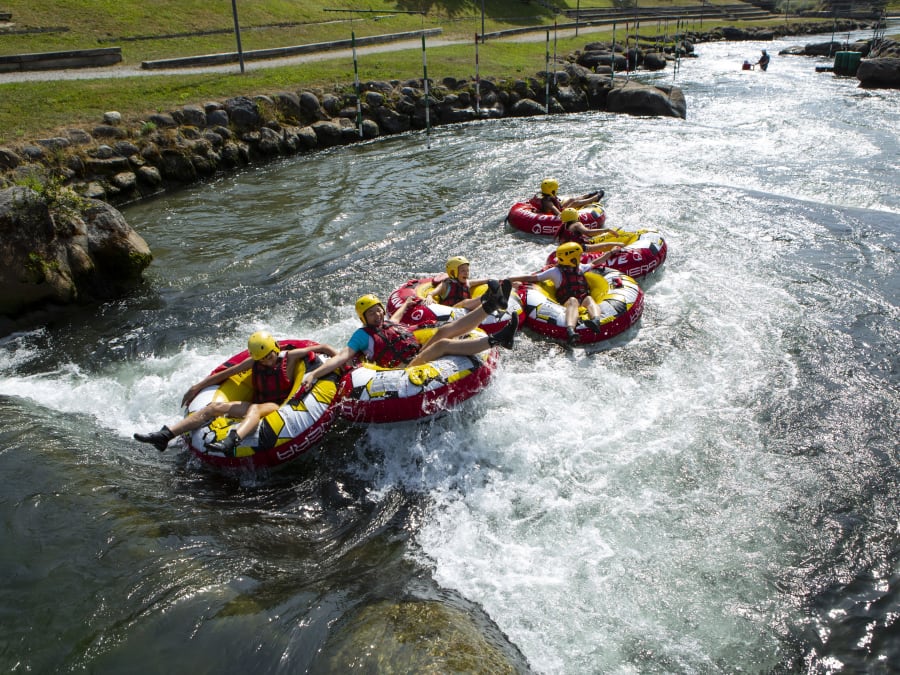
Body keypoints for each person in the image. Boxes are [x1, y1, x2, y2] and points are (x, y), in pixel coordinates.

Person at [133, 331, 338, 455]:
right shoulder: (253, 362)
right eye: (262, 359)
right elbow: (228, 373)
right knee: (214, 407)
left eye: (269, 356)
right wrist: (196, 387)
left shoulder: (291, 358)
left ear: (276, 348)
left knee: (256, 409)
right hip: (255, 404)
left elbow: (324, 347)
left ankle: (232, 441)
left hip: (279, 405)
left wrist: (341, 360)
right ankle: (165, 435)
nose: (266, 361)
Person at [299, 280, 518, 393]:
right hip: (402, 370)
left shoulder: (388, 323)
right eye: (371, 313)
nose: (376, 315)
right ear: (363, 318)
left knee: (443, 330)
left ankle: (490, 306)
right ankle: (496, 339)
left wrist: (406, 304)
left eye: (378, 310)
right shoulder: (361, 336)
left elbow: (395, 318)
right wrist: (314, 374)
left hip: (416, 355)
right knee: (440, 345)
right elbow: (341, 357)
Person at [507, 242, 623, 346]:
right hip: (566, 301)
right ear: (571, 258)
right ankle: (571, 330)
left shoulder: (580, 267)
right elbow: (533, 277)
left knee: (589, 299)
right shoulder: (555, 271)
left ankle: (596, 321)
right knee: (573, 300)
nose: (580, 258)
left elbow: (596, 262)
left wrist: (611, 252)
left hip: (582, 298)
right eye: (578, 256)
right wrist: (508, 280)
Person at [423, 256, 493, 311]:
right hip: (451, 312)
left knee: (467, 303)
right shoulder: (446, 285)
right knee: (465, 302)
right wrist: (429, 296)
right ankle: (485, 298)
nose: (466, 273)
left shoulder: (467, 283)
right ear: (453, 272)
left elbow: (483, 281)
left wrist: (492, 281)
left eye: (467, 270)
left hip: (467, 314)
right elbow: (432, 293)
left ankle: (491, 299)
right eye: (463, 270)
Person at [556, 207, 625, 255]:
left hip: (568, 250)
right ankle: (624, 247)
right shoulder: (577, 224)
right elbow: (588, 232)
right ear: (575, 216)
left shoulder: (563, 226)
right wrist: (606, 230)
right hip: (579, 249)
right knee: (608, 245)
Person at [530, 177, 604, 216]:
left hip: (558, 209)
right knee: (574, 203)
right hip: (555, 214)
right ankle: (594, 198)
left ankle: (587, 195)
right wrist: (569, 207)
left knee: (571, 199)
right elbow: (558, 214)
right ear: (552, 190)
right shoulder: (548, 202)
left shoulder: (546, 196)